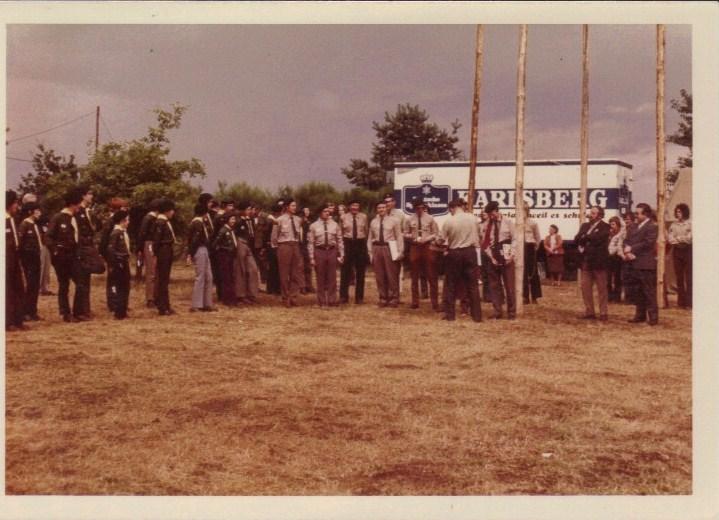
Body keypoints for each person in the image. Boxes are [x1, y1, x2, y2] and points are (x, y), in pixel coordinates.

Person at [438, 198, 482, 322]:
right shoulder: (474, 219)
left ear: (453, 208)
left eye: (450, 210)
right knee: (473, 285)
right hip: (470, 252)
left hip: (455, 253)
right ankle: (477, 316)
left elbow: (441, 239)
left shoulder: (449, 221)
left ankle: (450, 315)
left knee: (451, 284)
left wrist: (436, 241)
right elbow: (480, 235)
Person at [46, 189, 83, 322]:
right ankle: (65, 313)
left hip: (73, 256)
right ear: (73, 204)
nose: (80, 206)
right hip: (62, 257)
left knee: (80, 282)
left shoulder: (75, 218)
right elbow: (48, 237)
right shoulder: (58, 217)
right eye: (79, 203)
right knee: (64, 285)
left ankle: (78, 311)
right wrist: (55, 250)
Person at [624, 203, 659, 325]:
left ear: (646, 214)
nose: (636, 216)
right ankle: (640, 315)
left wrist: (631, 249)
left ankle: (653, 318)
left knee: (648, 291)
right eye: (635, 213)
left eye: (638, 213)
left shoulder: (652, 227)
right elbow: (626, 240)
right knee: (638, 291)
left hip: (646, 263)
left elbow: (648, 243)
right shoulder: (633, 226)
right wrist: (627, 252)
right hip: (634, 262)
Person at [481, 201, 517, 319]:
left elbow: (515, 239)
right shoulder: (487, 225)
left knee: (509, 286)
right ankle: (497, 311)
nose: (491, 217)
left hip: (506, 256)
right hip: (493, 256)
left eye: (492, 214)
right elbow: (485, 243)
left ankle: (511, 312)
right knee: (494, 285)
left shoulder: (508, 222)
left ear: (497, 211)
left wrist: (511, 255)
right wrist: (491, 257)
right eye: (489, 215)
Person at [574, 205, 611, 321]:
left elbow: (598, 238)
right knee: (585, 287)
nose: (591, 215)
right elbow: (577, 238)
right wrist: (586, 237)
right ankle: (589, 311)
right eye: (591, 212)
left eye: (594, 213)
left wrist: (586, 237)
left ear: (600, 215)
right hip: (586, 261)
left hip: (599, 261)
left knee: (601, 288)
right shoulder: (585, 225)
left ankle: (603, 312)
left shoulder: (605, 226)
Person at [403, 198, 439, 310]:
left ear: (424, 207)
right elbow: (405, 233)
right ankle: (415, 302)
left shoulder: (430, 218)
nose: (419, 210)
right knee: (414, 276)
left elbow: (436, 233)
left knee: (431, 275)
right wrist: (412, 237)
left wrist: (426, 238)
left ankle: (435, 303)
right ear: (414, 208)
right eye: (417, 208)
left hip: (427, 247)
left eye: (421, 207)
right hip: (415, 247)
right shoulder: (409, 219)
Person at [367, 200, 404, 307]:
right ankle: (383, 297)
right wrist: (370, 252)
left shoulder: (394, 221)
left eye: (383, 207)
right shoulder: (373, 222)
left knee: (391, 274)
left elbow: (399, 237)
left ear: (387, 208)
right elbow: (370, 238)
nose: (381, 209)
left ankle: (394, 298)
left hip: (390, 247)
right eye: (379, 208)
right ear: (376, 210)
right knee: (380, 275)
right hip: (377, 248)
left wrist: (400, 251)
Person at [307, 204, 345, 307]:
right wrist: (311, 257)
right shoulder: (313, 226)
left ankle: (332, 300)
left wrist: (342, 254)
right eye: (325, 211)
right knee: (320, 276)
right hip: (319, 251)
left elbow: (340, 240)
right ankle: (321, 300)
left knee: (332, 276)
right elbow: (311, 243)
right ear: (320, 213)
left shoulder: (335, 225)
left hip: (332, 251)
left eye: (328, 211)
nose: (327, 213)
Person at [271, 198, 305, 307]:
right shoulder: (279, 220)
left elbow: (300, 234)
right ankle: (285, 297)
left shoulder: (298, 219)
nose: (295, 208)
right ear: (286, 207)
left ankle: (294, 297)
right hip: (284, 246)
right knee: (284, 274)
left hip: (295, 245)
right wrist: (277, 249)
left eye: (295, 206)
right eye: (292, 206)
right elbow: (274, 236)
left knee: (296, 273)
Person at [100, 197, 130, 312]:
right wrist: (106, 255)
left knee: (118, 280)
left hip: (117, 253)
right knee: (113, 280)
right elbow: (105, 240)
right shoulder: (111, 222)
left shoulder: (120, 221)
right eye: (124, 207)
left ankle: (120, 302)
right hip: (112, 254)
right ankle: (113, 303)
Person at [187, 203, 216, 312]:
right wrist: (191, 253)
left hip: (204, 249)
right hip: (200, 249)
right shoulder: (197, 223)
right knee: (200, 277)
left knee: (208, 276)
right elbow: (195, 240)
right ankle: (196, 304)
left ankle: (207, 303)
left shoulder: (200, 222)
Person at [339, 199, 369, 305]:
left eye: (357, 205)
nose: (355, 208)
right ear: (349, 207)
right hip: (348, 243)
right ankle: (343, 296)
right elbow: (341, 233)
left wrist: (366, 247)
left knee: (360, 272)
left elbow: (366, 231)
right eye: (353, 205)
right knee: (345, 272)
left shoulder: (364, 217)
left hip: (360, 244)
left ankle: (359, 297)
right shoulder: (343, 217)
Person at [18, 201, 43, 321]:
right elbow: (20, 243)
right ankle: (26, 311)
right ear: (30, 212)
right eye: (37, 210)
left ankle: (32, 310)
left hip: (36, 257)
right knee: (30, 285)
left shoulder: (35, 225)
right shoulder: (25, 224)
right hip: (28, 259)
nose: (39, 213)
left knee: (35, 285)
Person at [74, 185, 97, 319]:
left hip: (88, 245)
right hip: (82, 247)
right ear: (83, 196)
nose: (91, 196)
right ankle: (81, 310)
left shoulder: (87, 211)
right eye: (89, 194)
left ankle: (85, 308)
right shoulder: (78, 211)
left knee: (86, 278)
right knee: (82, 279)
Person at [6, 190, 27, 331]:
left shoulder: (12, 219)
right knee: (8, 290)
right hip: (7, 258)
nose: (17, 207)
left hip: (14, 257)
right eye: (15, 203)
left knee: (18, 288)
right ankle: (8, 321)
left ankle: (18, 319)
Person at [153, 199, 177, 316]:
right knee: (162, 280)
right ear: (167, 210)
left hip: (167, 250)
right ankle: (162, 306)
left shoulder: (165, 221)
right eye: (172, 210)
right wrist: (157, 253)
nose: (173, 212)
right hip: (163, 250)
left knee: (165, 280)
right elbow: (156, 241)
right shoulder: (160, 222)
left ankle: (166, 305)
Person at [105, 210, 132, 320]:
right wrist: (116, 261)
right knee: (121, 287)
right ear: (122, 220)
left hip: (124, 260)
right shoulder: (116, 233)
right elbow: (111, 250)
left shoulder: (122, 232)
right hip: (119, 262)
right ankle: (119, 312)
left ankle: (123, 310)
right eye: (127, 220)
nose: (128, 222)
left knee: (126, 287)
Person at [234, 202, 260, 304]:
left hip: (249, 245)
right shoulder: (238, 221)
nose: (250, 211)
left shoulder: (251, 220)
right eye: (248, 209)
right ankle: (240, 295)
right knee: (241, 270)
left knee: (253, 269)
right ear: (242, 210)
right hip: (241, 243)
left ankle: (252, 294)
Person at [667, 203, 691, 309]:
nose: (678, 214)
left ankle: (690, 302)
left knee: (689, 277)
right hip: (677, 252)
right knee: (679, 277)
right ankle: (681, 302)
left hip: (688, 251)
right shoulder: (673, 225)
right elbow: (670, 238)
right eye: (677, 212)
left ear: (684, 212)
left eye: (680, 211)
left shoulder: (690, 224)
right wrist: (680, 239)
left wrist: (678, 239)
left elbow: (690, 238)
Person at [213, 212, 239, 307]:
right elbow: (215, 244)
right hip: (225, 256)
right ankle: (227, 299)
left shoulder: (231, 230)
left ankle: (232, 298)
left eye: (234, 219)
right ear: (227, 220)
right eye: (232, 219)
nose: (234, 221)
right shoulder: (223, 231)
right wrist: (223, 250)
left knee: (231, 277)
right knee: (226, 278)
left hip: (231, 256)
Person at [137, 199, 160, 308]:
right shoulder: (149, 218)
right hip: (149, 244)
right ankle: (150, 298)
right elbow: (142, 234)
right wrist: (140, 249)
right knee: (151, 272)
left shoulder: (153, 218)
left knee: (154, 272)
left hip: (153, 244)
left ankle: (155, 295)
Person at [522, 206, 542, 304]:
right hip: (521, 248)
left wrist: (535, 248)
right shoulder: (516, 223)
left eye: (523, 211)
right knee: (523, 272)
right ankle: (525, 297)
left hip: (530, 247)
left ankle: (535, 296)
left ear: (527, 212)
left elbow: (538, 237)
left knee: (533, 272)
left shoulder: (533, 223)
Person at [607, 216, 625, 302]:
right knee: (608, 278)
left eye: (613, 224)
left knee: (617, 277)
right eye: (610, 224)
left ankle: (617, 297)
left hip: (617, 258)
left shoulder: (621, 234)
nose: (611, 226)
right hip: (609, 257)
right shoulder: (609, 233)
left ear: (618, 225)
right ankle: (609, 296)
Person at [299, 206, 315, 294]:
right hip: (300, 246)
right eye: (306, 210)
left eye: (308, 210)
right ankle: (302, 286)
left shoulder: (309, 222)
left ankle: (309, 285)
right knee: (301, 267)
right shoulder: (300, 221)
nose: (308, 212)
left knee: (308, 267)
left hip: (307, 246)